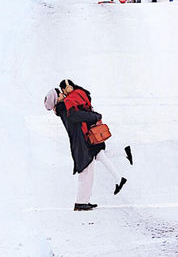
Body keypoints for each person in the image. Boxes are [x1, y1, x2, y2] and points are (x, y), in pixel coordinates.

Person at [44, 80, 130, 211]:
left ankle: (83, 201)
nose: (62, 94)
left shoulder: (62, 108)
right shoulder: (65, 108)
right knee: (86, 172)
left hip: (80, 141)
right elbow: (77, 116)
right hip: (80, 142)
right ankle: (81, 203)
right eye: (59, 93)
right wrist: (94, 116)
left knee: (90, 167)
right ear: (57, 99)